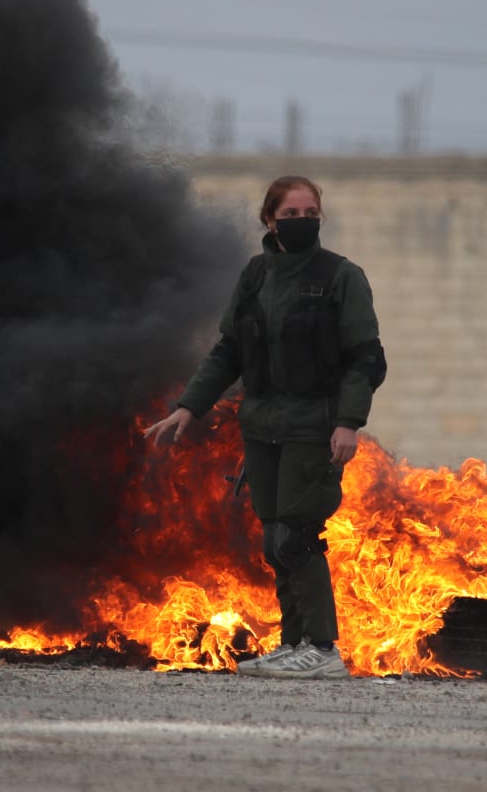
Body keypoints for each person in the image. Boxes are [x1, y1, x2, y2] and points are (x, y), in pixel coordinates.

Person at [143, 176, 385, 680]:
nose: (302, 221)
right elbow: (228, 351)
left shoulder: (341, 277)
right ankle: (292, 644)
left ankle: (323, 649)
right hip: (261, 428)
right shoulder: (255, 276)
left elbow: (366, 358)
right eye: (290, 214)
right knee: (275, 540)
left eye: (310, 213)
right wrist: (188, 408)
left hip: (312, 426)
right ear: (269, 220)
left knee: (298, 536)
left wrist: (348, 423)